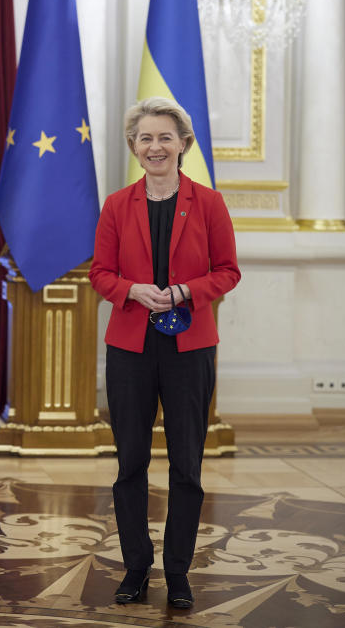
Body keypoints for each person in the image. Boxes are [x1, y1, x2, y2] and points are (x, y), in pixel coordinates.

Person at [88, 97, 240, 609]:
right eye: (145, 138)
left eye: (165, 138)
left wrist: (182, 292)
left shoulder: (210, 204)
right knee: (130, 464)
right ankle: (135, 568)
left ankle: (178, 571)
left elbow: (228, 271)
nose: (155, 147)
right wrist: (131, 290)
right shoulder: (115, 205)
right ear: (134, 147)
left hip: (189, 348)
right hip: (130, 347)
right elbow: (100, 274)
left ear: (184, 145)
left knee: (187, 466)